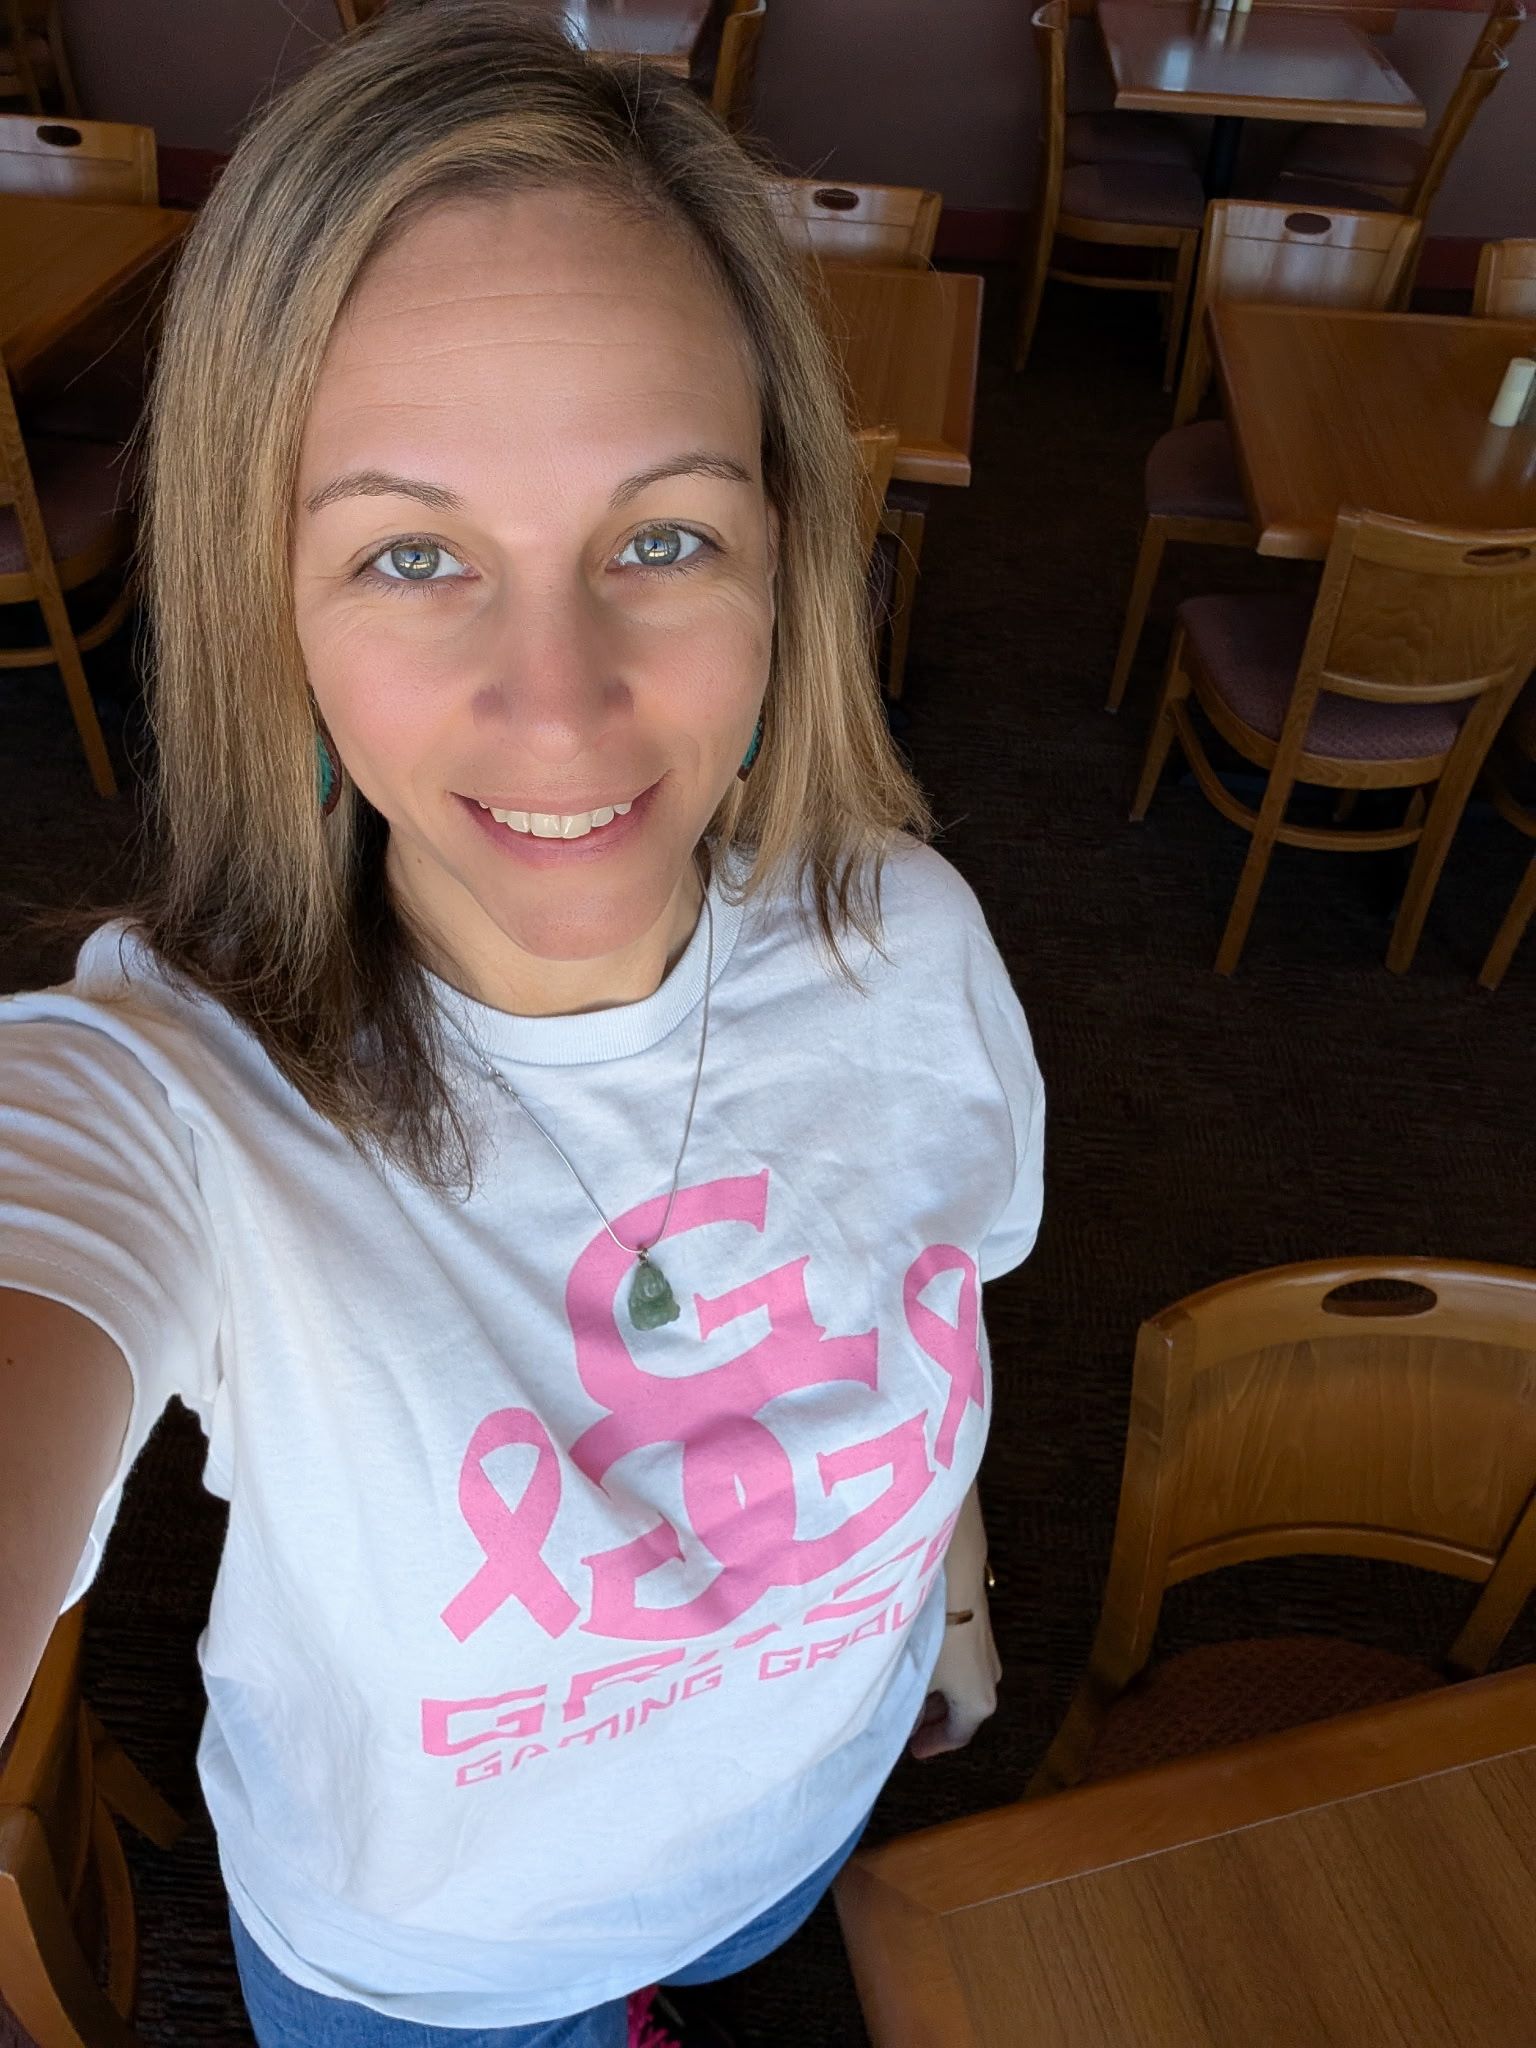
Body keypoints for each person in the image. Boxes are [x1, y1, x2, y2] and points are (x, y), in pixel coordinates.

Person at [0, 5, 1044, 2044]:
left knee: (740, 1955)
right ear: (264, 604)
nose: (560, 706)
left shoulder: (906, 940)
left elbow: (945, 1278)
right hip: (438, 1978)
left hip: (799, 1808)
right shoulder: (177, 1102)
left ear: (785, 561)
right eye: (413, 554)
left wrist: (950, 1590)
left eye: (661, 536)